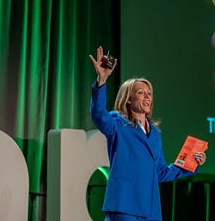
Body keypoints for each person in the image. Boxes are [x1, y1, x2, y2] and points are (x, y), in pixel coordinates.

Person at [89, 46, 207, 221]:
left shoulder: (155, 133)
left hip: (150, 208)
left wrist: (192, 162)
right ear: (129, 98)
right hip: (124, 205)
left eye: (149, 93)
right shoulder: (117, 123)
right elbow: (98, 114)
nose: (147, 97)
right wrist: (102, 80)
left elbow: (160, 172)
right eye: (140, 93)